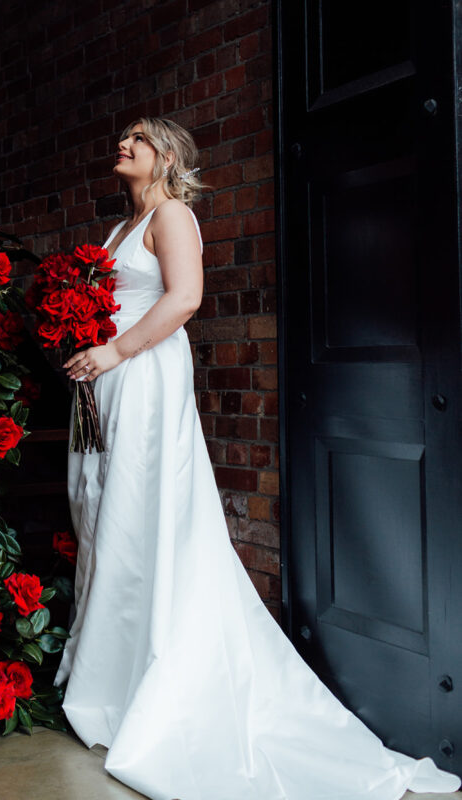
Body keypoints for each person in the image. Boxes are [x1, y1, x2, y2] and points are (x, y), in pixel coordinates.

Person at [53, 117, 461, 800]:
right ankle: (114, 681)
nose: (123, 145)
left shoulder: (173, 214)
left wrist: (116, 351)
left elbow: (185, 298)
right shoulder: (123, 226)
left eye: (139, 139)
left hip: (143, 376)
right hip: (106, 380)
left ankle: (162, 681)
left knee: (142, 510)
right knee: (107, 516)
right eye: (122, 137)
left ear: (167, 156)